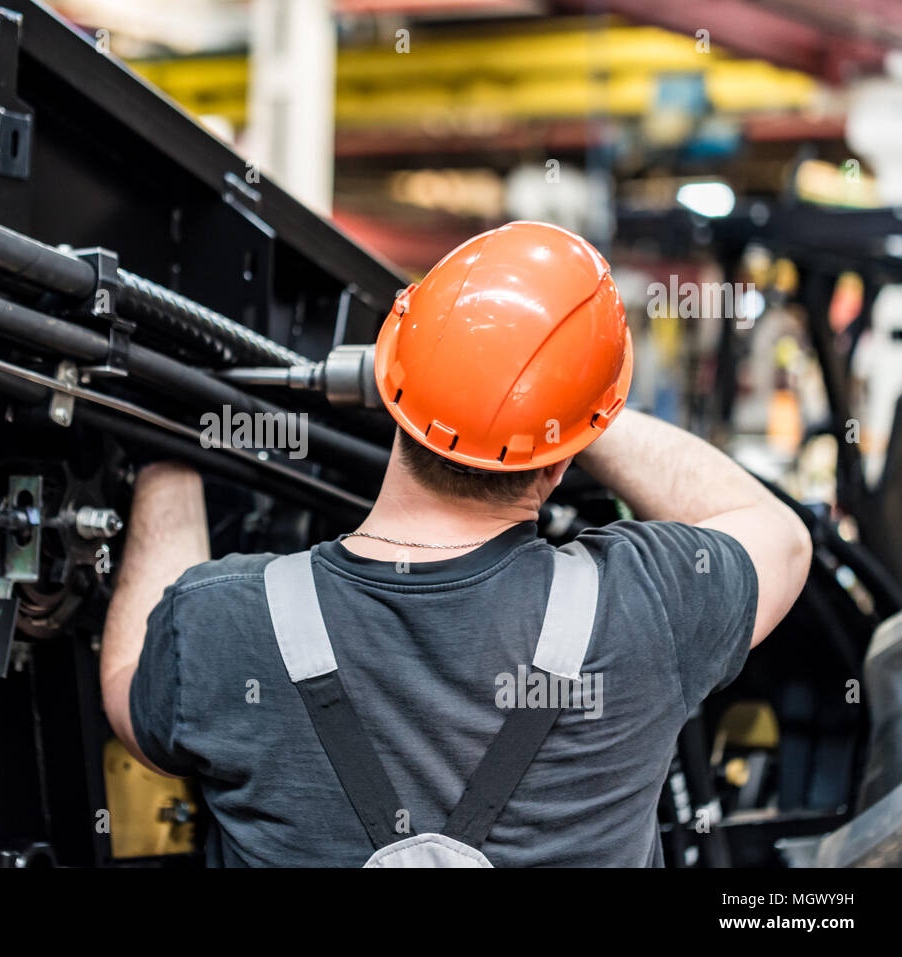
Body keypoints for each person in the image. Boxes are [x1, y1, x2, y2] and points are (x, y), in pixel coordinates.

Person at [99, 222, 812, 866]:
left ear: (390, 376)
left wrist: (172, 449)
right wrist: (565, 402)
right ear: (566, 456)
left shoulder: (224, 624)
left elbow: (128, 680)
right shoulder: (647, 608)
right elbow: (779, 537)